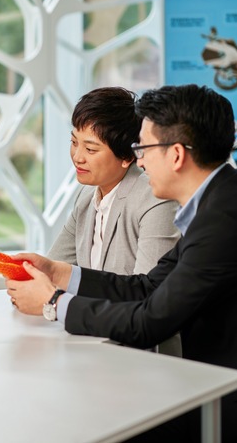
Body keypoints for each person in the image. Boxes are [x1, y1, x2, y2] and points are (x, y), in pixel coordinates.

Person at [7, 84, 237, 442]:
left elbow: (152, 320)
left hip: (229, 398)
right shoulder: (219, 199)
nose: (139, 160)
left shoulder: (223, 218)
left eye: (144, 148)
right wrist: (61, 273)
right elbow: (149, 285)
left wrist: (53, 304)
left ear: (177, 155)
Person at [47, 87, 181, 355]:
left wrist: (55, 299)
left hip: (142, 354)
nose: (77, 156)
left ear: (128, 157)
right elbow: (52, 270)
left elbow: (147, 297)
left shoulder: (155, 199)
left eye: (91, 148)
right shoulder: (86, 196)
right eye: (74, 142)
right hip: (91, 344)